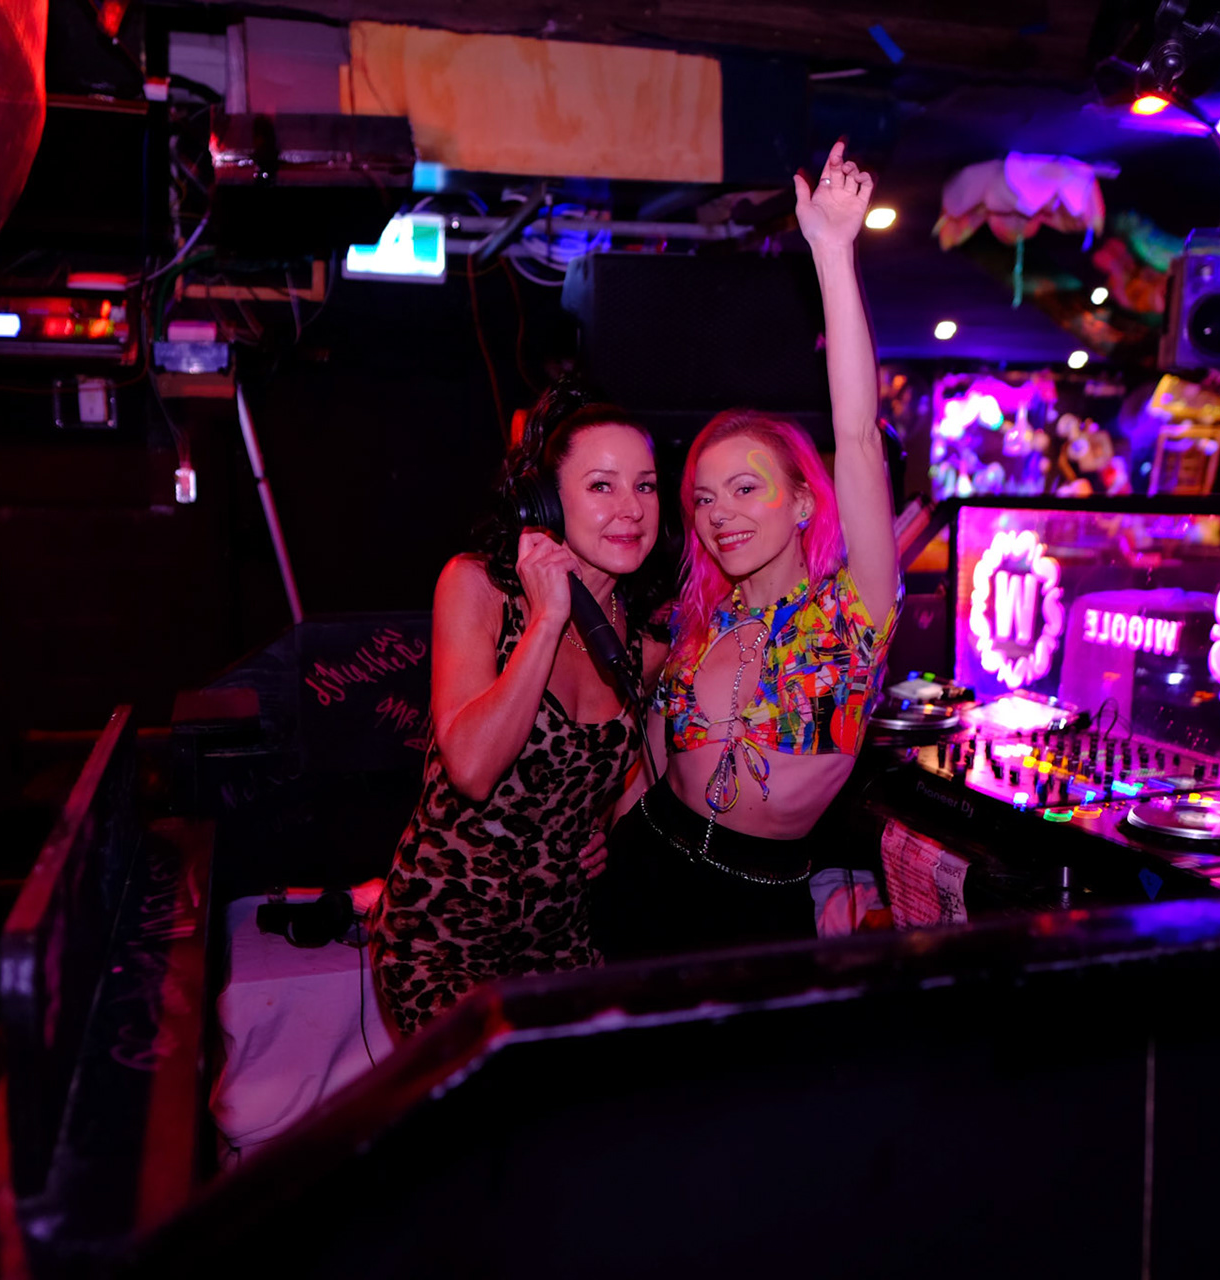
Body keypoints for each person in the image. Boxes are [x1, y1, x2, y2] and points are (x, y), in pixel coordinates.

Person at [593, 142, 901, 958]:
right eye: (703, 497)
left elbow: (857, 437)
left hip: (758, 908)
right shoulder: (697, 620)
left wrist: (832, 252)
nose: (718, 514)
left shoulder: (853, 616)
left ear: (802, 500)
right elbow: (654, 753)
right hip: (644, 874)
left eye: (743, 488)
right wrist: (610, 830)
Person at [370, 383, 673, 1035]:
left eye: (645, 486)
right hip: (442, 940)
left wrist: (597, 825)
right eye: (602, 485)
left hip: (560, 942)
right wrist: (547, 620)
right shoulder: (477, 588)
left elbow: (626, 772)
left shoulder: (645, 646)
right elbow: (472, 768)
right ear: (547, 503)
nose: (631, 508)